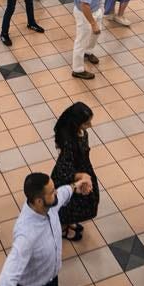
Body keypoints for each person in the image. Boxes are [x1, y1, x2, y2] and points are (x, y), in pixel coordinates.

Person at [50, 102, 99, 241]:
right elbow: (63, 168)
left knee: (81, 201)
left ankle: (69, 222)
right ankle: (64, 227)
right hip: (70, 174)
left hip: (82, 168)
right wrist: (81, 176)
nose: (90, 126)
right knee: (67, 203)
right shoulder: (68, 141)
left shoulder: (81, 133)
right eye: (86, 123)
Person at [71, 0, 104, 80]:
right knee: (81, 40)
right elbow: (85, 5)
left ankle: (88, 52)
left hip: (96, 10)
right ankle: (77, 69)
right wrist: (93, 23)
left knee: (95, 34)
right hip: (85, 14)